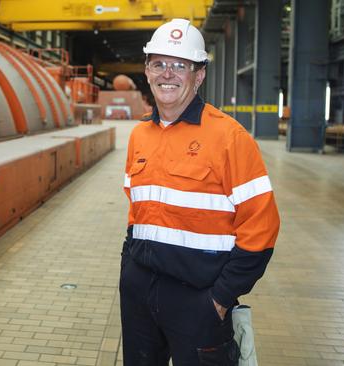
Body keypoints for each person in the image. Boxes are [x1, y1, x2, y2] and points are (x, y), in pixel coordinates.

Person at [120, 18, 280, 365]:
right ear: (147, 71)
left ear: (199, 75)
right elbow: (136, 213)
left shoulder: (230, 138)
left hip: (199, 301)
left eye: (180, 65)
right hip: (138, 295)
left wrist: (220, 299)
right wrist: (128, 272)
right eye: (159, 64)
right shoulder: (139, 137)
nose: (168, 74)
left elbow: (261, 230)